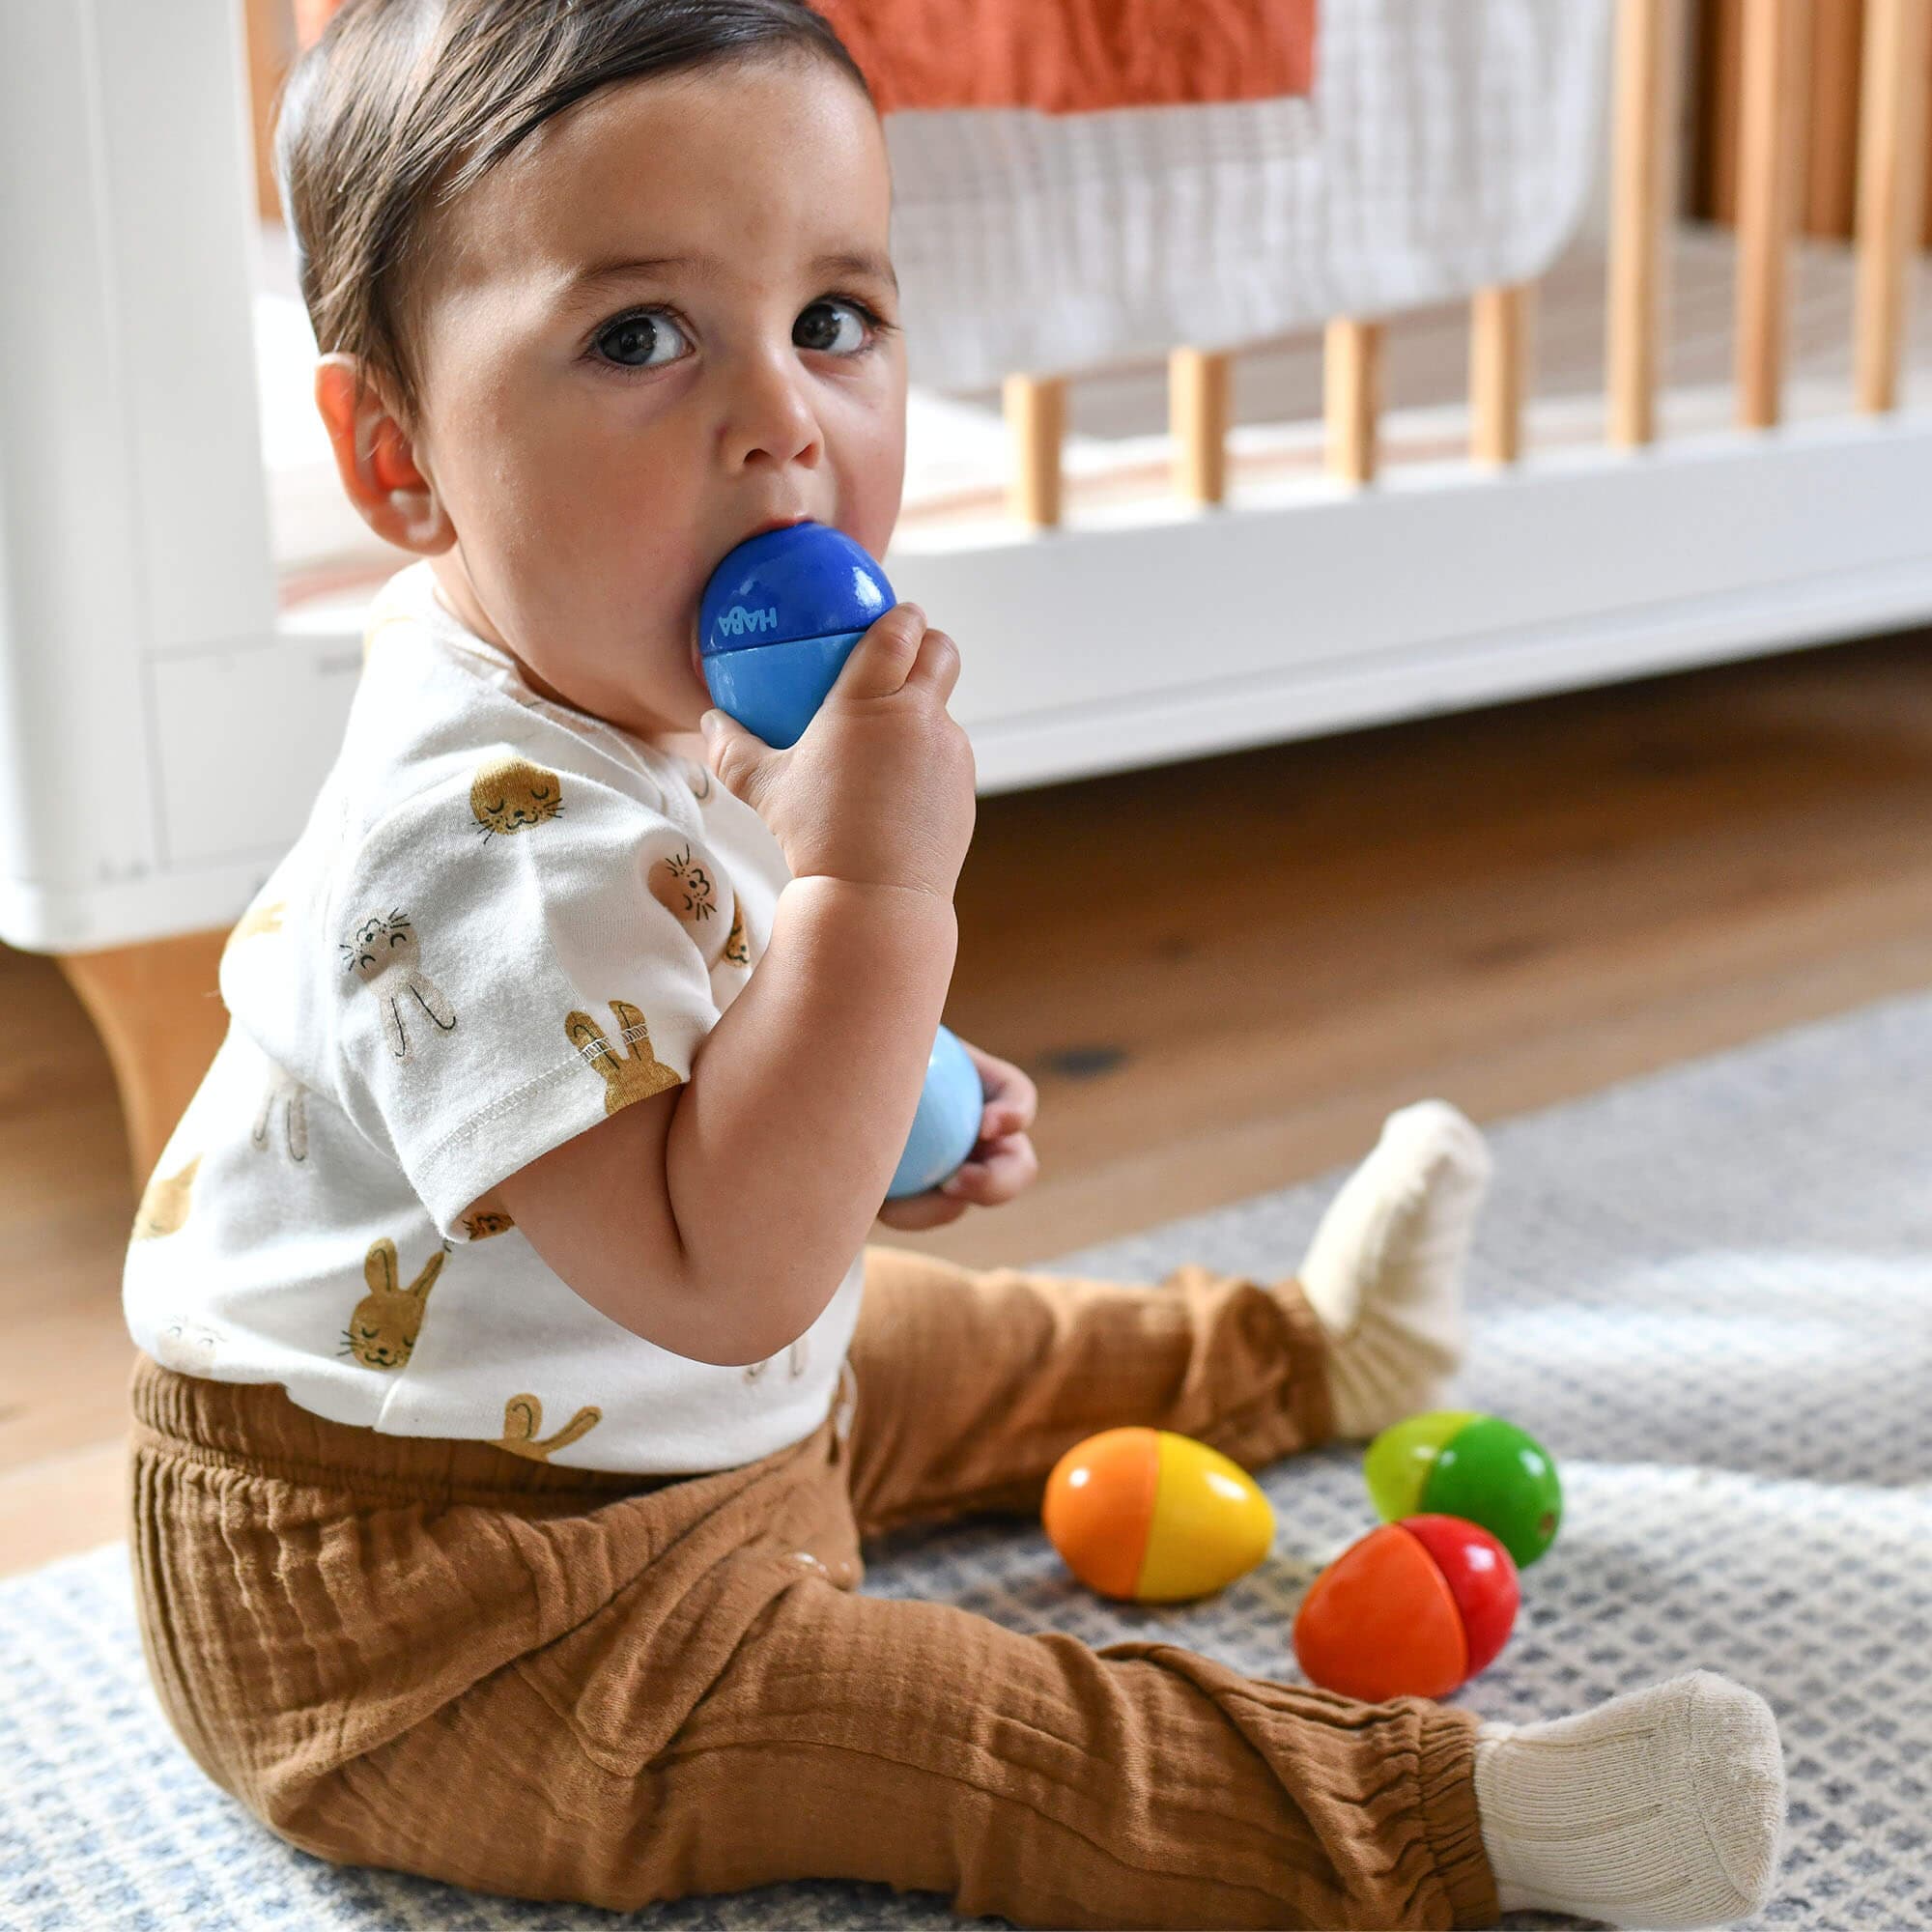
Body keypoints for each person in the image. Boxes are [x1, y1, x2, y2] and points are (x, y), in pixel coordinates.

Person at [122, 4, 1786, 1924]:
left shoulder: (617, 682)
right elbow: (729, 1279)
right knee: (945, 1733)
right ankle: (1459, 1823)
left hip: (616, 1394)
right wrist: (881, 894)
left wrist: (874, 1089)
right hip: (438, 1594)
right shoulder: (467, 843)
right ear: (396, 451)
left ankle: (1306, 1351)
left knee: (941, 1328)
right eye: (639, 335)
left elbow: (693, 1042)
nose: (785, 423)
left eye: (833, 316)